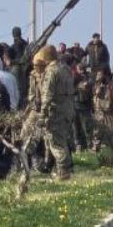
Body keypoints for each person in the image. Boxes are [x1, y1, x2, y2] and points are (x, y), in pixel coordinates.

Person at [32, 46, 72, 180]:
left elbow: (47, 96)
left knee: (55, 143)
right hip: (67, 110)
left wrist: (43, 115)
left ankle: (63, 173)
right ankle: (63, 170)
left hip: (55, 112)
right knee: (62, 140)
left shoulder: (51, 71)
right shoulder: (65, 69)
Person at [92, 68, 113, 155]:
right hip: (99, 113)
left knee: (111, 133)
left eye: (100, 75)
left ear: (105, 75)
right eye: (97, 75)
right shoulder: (96, 85)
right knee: (97, 133)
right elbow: (94, 95)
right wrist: (98, 89)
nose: (98, 77)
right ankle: (95, 151)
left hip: (110, 113)